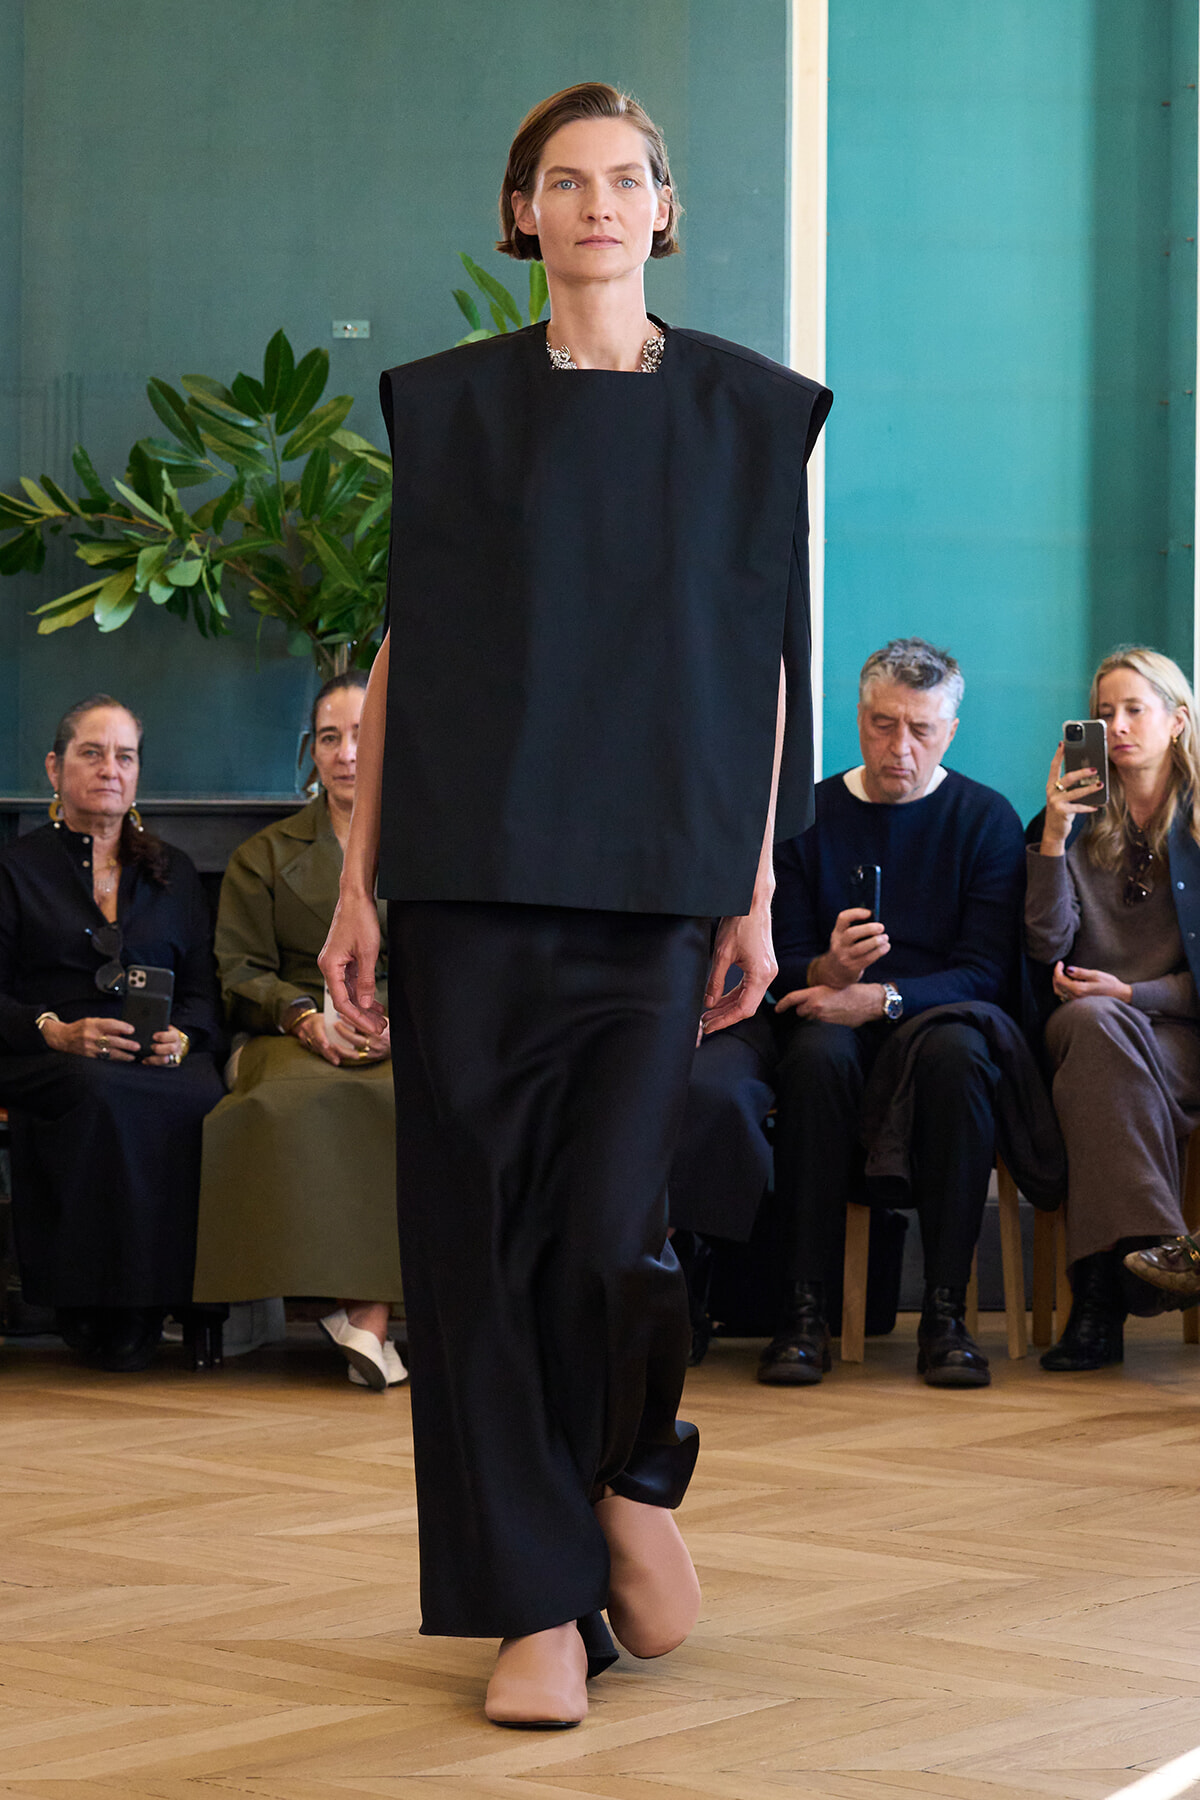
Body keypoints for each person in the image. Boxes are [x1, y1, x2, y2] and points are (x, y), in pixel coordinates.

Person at [319, 82, 830, 1728]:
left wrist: (755, 884)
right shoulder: (453, 412)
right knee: (470, 1247)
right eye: (565, 179)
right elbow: (407, 660)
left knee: (614, 1231)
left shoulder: (751, 412)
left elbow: (766, 668)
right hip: (467, 873)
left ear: (665, 211)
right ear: (519, 212)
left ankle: (632, 1479)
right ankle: (535, 1607)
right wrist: (354, 884)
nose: (598, 203)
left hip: (660, 880)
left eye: (626, 179)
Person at [763, 639, 1027, 1390]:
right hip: (824, 1023)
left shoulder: (985, 820)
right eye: (883, 724)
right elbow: (777, 960)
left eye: (920, 729)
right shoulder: (807, 816)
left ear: (950, 730)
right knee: (813, 1057)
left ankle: (946, 1314)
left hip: (935, 1026)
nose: (899, 747)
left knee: (957, 1058)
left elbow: (988, 973)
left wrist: (878, 997)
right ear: (859, 717)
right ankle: (802, 1311)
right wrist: (827, 970)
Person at [192, 673, 405, 1389]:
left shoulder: (428, 850)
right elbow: (239, 970)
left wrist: (398, 1026)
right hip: (288, 1032)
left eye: (363, 736)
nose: (348, 753)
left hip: (399, 1033)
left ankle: (368, 1320)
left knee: (419, 1099)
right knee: (293, 1102)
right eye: (330, 737)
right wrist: (304, 1016)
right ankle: (364, 1315)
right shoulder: (265, 854)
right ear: (310, 753)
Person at [0, 695, 224, 1371]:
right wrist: (56, 1031)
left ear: (137, 773)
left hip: (153, 1053)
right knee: (97, 1090)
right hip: (42, 1052)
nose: (109, 768)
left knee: (201, 1097)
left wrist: (182, 1038)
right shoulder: (15, 869)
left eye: (123, 755)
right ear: (54, 767)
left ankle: (163, 1302)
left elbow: (202, 995)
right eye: (91, 752)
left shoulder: (173, 871)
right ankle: (92, 1305)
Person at [1025, 647, 1200, 1368]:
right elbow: (1044, 947)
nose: (1117, 726)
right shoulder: (1066, 820)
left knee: (1105, 1050)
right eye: (1103, 714)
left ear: (1177, 720)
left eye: (1134, 709)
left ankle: (1097, 1303)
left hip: (1180, 1034)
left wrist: (1133, 993)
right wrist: (1054, 842)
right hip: (1086, 1024)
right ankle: (1167, 1245)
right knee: (1096, 1030)